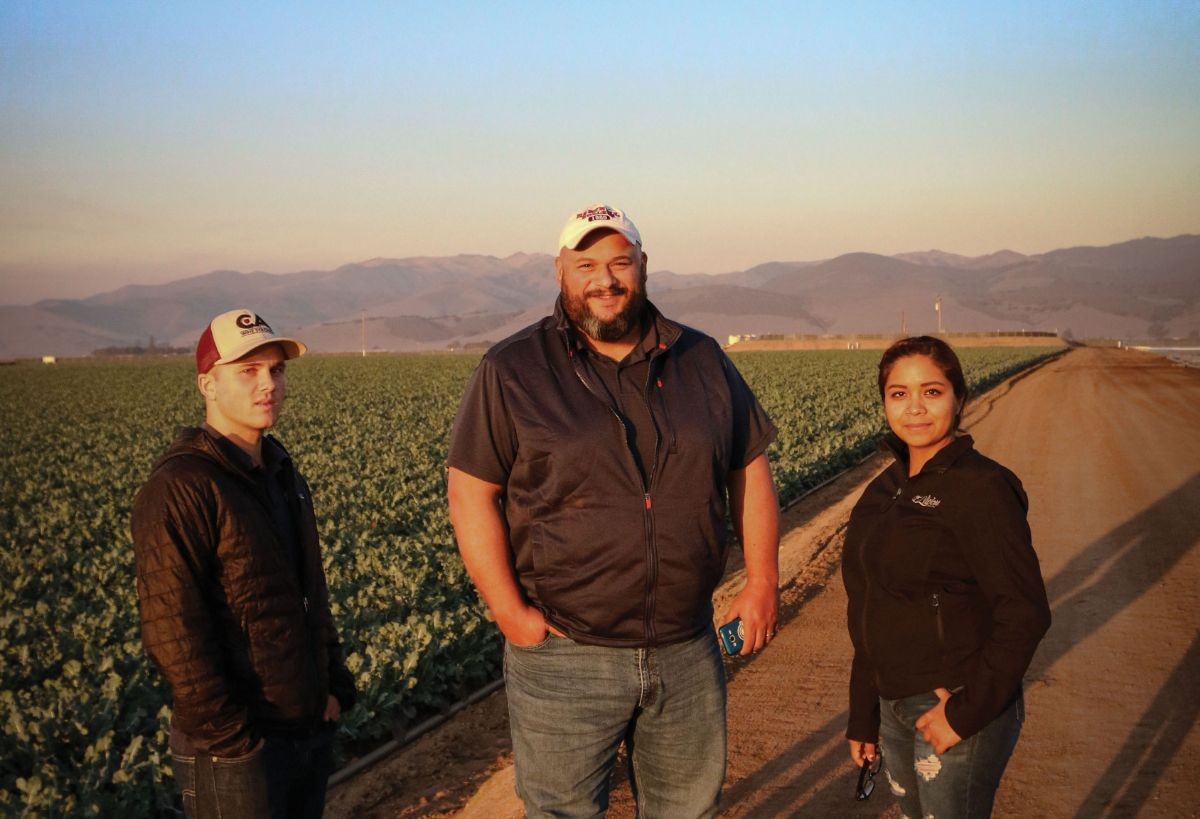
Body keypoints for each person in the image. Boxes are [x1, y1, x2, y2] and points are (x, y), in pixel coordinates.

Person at [447, 203, 781, 818]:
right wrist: (508, 611)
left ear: (643, 267)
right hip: (566, 652)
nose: (605, 279)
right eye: (587, 265)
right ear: (560, 274)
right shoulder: (514, 369)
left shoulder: (701, 359)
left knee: (687, 810)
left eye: (619, 262)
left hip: (686, 647)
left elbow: (749, 467)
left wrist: (762, 580)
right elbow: (471, 491)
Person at [132, 309, 356, 819]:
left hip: (303, 727)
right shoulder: (182, 488)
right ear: (207, 385)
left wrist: (332, 687)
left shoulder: (279, 471)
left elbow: (308, 595)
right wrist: (233, 739)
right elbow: (173, 630)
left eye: (276, 370)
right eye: (248, 371)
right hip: (238, 749)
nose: (268, 385)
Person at [841, 336, 1051, 818]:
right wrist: (863, 713)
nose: (914, 407)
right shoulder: (884, 490)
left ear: (960, 398)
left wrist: (966, 712)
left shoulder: (982, 488)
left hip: (953, 703)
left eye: (932, 392)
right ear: (884, 402)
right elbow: (870, 604)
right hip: (892, 704)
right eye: (899, 394)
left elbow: (1025, 610)